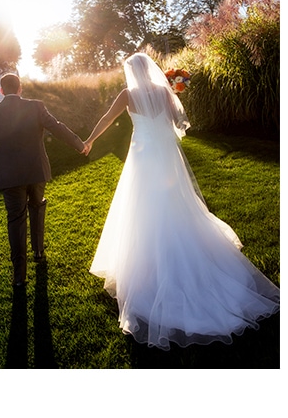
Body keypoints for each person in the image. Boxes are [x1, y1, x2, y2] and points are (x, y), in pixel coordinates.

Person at [83, 52, 280, 349]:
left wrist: (90, 140)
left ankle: (147, 257)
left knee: (141, 205)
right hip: (165, 155)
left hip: (142, 156)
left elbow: (106, 119)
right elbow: (178, 121)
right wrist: (172, 100)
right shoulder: (164, 91)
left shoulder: (127, 95)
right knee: (175, 200)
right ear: (150, 71)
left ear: (131, 73)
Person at [0, 73, 87, 287]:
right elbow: (56, 127)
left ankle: (19, 277)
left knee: (16, 222)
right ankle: (38, 252)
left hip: (10, 177)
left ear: (1, 90)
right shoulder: (36, 106)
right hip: (37, 171)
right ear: (20, 89)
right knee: (37, 207)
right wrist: (79, 144)